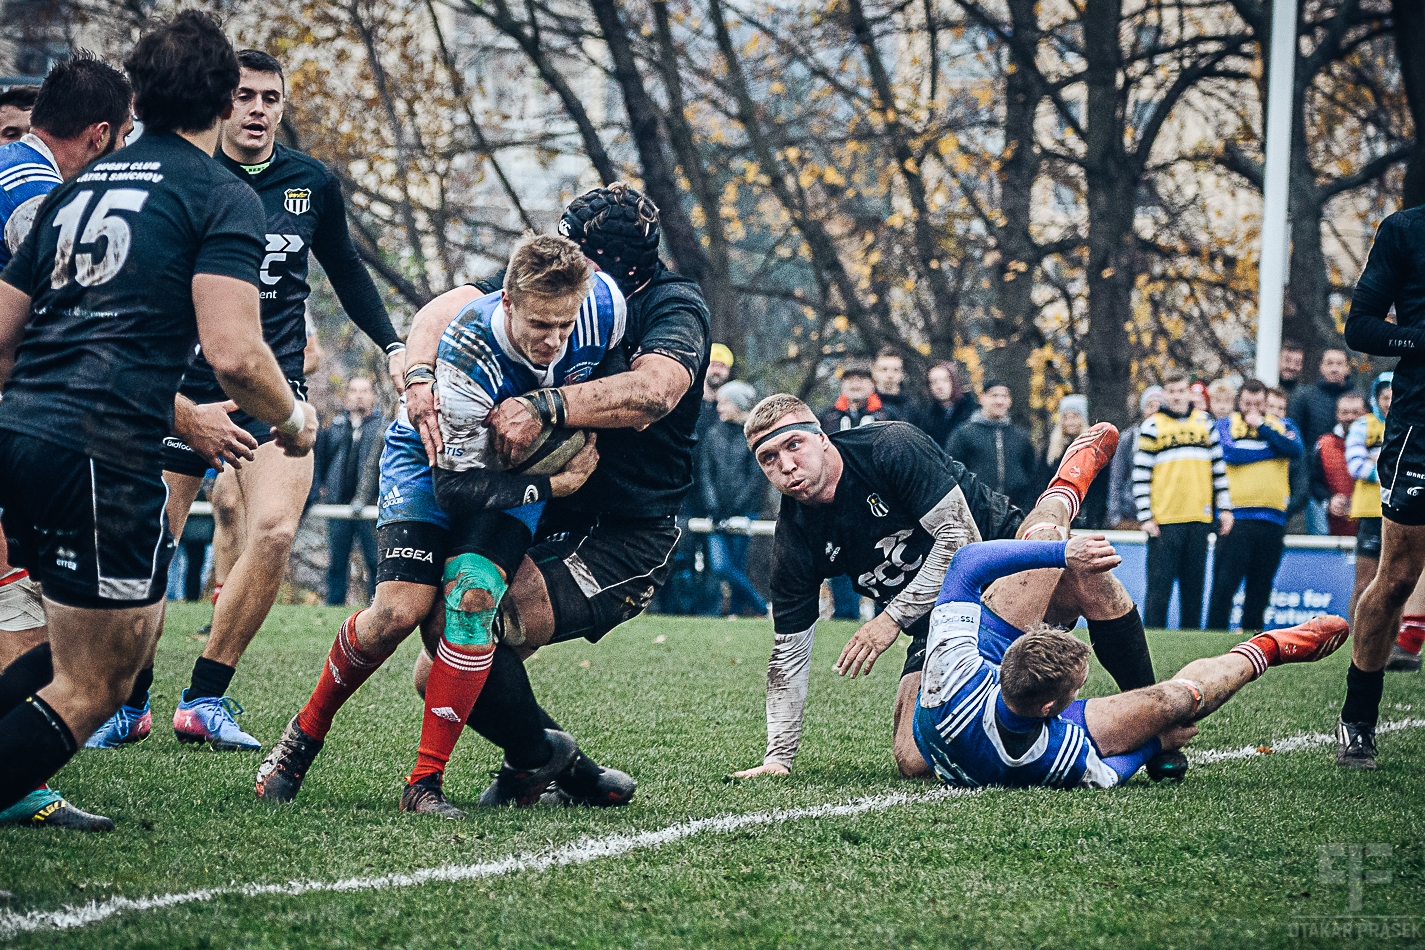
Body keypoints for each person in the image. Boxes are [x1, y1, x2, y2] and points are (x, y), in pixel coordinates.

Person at [0, 10, 315, 822]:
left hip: (20, 433)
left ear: (138, 96)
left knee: (81, 639)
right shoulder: (219, 194)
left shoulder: (80, 187)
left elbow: (2, 338)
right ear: (223, 99)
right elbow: (236, 355)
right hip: (100, 447)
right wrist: (292, 420)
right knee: (99, 679)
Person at [93, 49, 405, 752]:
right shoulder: (184, 176)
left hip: (270, 393)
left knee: (273, 532)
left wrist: (392, 345)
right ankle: (130, 701)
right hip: (180, 395)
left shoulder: (310, 183)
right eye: (244, 96)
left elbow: (347, 269)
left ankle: (204, 698)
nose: (258, 109)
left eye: (271, 97)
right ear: (220, 103)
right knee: (150, 543)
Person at [257, 233, 618, 814]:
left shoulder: (604, 306)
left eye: (564, 325)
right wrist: (555, 485)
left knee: (472, 596)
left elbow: (618, 372)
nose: (553, 341)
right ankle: (302, 736)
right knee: (397, 614)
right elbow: (455, 489)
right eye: (539, 324)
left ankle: (424, 784)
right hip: (431, 466)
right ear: (507, 303)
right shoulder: (467, 356)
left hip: (511, 471)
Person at [731, 394, 1186, 782]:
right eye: (769, 459)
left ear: (822, 437)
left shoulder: (889, 447)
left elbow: (961, 544)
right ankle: (1084, 724)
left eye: (794, 445)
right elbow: (788, 653)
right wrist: (778, 757)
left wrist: (889, 620)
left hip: (997, 567)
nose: (786, 465)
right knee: (914, 759)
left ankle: (1067, 486)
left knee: (1089, 574)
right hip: (936, 627)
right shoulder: (793, 539)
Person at [910, 535, 1348, 789]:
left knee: (1045, 535)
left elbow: (966, 561)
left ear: (1004, 661)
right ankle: (1268, 648)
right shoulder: (1046, 753)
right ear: (1051, 710)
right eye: (1078, 687)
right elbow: (1108, 772)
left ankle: (1066, 489)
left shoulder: (956, 673)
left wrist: (1063, 552)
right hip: (981, 738)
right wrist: (1156, 742)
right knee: (1174, 703)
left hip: (951, 720)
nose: (1082, 689)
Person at [1133, 372, 1232, 630]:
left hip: (1199, 518)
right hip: (1164, 521)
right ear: (1164, 394)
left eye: (1180, 391)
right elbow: (1141, 474)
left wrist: (1225, 508)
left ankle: (1192, 643)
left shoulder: (1205, 423)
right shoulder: (1152, 426)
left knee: (1194, 591)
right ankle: (1152, 642)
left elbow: (1219, 471)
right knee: (1158, 591)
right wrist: (1145, 516)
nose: (1176, 396)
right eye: (1171, 391)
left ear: (1189, 392)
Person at [1206, 380, 1304, 631]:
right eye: (1247, 403)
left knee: (1260, 587)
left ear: (1265, 403)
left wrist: (1263, 429)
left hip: (1272, 519)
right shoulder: (1225, 424)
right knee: (1225, 585)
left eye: (1257, 404)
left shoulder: (1283, 425)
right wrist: (1273, 450)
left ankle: (1254, 638)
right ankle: (1213, 636)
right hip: (1237, 517)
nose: (1251, 409)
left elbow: (1295, 449)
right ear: (1239, 401)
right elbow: (1231, 453)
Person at [695, 380, 767, 616]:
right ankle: (761, 606)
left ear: (739, 404)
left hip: (745, 512)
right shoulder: (713, 434)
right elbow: (705, 473)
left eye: (724, 403)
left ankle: (735, 614)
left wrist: (737, 507)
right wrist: (714, 506)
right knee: (721, 566)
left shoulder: (754, 437)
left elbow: (756, 479)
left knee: (737, 566)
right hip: (716, 514)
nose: (719, 408)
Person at [314, 376, 384, 605]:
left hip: (371, 507)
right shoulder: (335, 427)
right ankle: (333, 605)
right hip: (338, 504)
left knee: (374, 560)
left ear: (373, 396)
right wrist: (321, 488)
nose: (359, 395)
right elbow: (322, 459)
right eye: (354, 390)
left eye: (364, 391)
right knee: (336, 562)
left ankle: (375, 606)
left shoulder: (382, 427)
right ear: (346, 396)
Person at [1288, 348, 1354, 535]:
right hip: (1313, 486)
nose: (1334, 368)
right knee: (1320, 537)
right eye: (1329, 363)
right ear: (1321, 367)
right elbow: (1296, 441)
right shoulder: (1305, 397)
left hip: (1352, 485)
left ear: (1347, 368)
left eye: (1339, 363)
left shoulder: (1357, 400)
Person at [948, 380, 1039, 513]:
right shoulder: (964, 433)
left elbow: (1033, 476)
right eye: (994, 395)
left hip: (1015, 511)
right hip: (976, 511)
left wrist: (1026, 507)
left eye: (1004, 396)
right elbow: (952, 472)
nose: (999, 401)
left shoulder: (1021, 436)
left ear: (1010, 401)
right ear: (982, 398)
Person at [1345, 374, 1392, 629]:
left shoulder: (1411, 426)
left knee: (1397, 582)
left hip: (1401, 512)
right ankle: (1354, 636)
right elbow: (1355, 467)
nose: (1389, 402)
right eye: (1385, 397)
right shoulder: (1363, 425)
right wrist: (1393, 471)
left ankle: (1392, 637)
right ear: (1376, 398)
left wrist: (1376, 461)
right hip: (1371, 512)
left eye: (1394, 397)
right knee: (1364, 582)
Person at [1040, 395, 1108, 529]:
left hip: (1088, 517)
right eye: (1065, 417)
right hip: (1057, 516)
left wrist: (1095, 518)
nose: (1070, 422)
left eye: (1075, 416)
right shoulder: (1052, 451)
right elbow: (1042, 482)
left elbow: (1101, 488)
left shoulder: (1096, 450)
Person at [1311, 391, 1368, 537]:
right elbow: (1314, 482)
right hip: (1334, 528)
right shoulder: (1324, 444)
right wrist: (1329, 499)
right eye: (1345, 412)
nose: (1350, 417)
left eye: (1355, 412)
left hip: (1369, 523)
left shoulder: (1378, 443)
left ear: (1365, 413)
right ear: (1337, 415)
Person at [1107, 386, 1162, 529]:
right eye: (1150, 406)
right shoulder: (1128, 438)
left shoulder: (1171, 436)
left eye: (1159, 407)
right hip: (1131, 512)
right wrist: (1116, 516)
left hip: (1163, 511)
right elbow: (1117, 478)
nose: (1154, 411)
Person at [917, 361, 976, 447]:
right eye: (933, 382)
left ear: (953, 382)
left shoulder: (971, 411)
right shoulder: (929, 418)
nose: (939, 386)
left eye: (944, 380)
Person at [820, 360, 887, 432]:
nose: (855, 384)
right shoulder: (827, 417)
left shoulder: (887, 416)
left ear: (873, 384)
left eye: (861, 378)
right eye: (849, 379)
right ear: (842, 385)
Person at [696, 342, 734, 445]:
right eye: (712, 365)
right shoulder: (689, 402)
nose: (716, 371)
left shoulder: (732, 408)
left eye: (722, 366)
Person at [871, 347, 917, 423]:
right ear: (874, 372)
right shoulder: (865, 405)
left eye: (896, 370)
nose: (890, 375)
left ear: (902, 373)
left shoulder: (913, 409)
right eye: (884, 369)